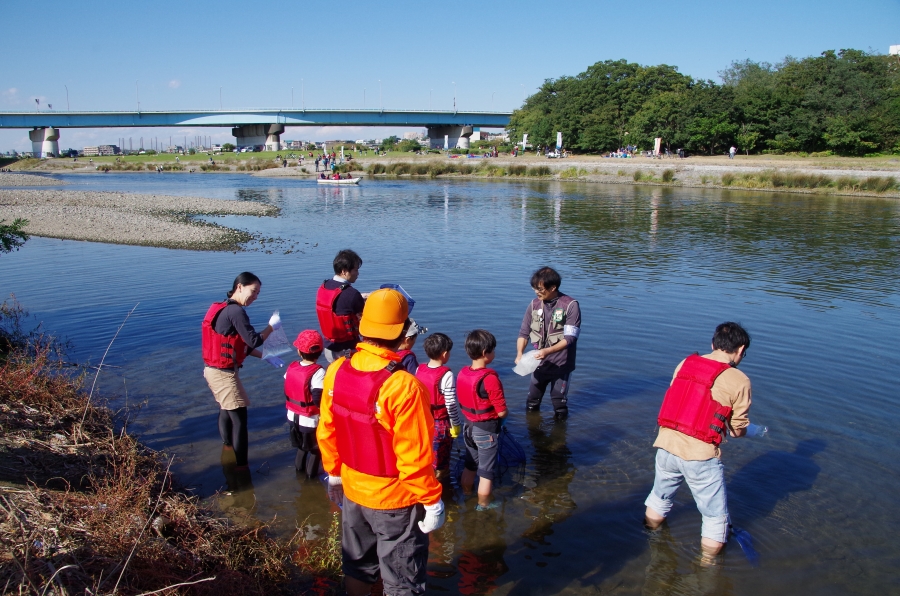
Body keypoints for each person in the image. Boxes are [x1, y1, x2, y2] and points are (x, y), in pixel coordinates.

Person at [317, 288, 445, 596]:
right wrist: (432, 501)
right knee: (402, 581)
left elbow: (327, 430)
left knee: (358, 568)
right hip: (394, 501)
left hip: (352, 490)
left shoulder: (335, 370)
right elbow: (414, 457)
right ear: (402, 332)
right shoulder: (404, 385)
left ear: (363, 326)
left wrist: (334, 473)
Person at [644, 322, 754, 560]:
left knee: (659, 498)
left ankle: (652, 539)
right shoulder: (739, 379)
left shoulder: (685, 363)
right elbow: (736, 430)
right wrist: (748, 431)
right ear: (741, 349)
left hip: (665, 445)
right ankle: (707, 568)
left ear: (713, 344)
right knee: (715, 518)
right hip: (700, 455)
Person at [202, 272, 282, 470]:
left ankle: (227, 449)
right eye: (253, 291)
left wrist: (265, 356)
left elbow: (238, 346)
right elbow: (253, 340)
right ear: (239, 286)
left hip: (213, 371)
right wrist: (271, 327)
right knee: (240, 420)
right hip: (223, 374)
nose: (255, 297)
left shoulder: (222, 308)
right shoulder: (236, 312)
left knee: (225, 410)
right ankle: (242, 468)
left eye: (258, 294)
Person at [515, 267, 581, 420]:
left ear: (553, 288)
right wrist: (519, 354)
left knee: (559, 403)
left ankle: (559, 440)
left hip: (561, 364)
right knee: (532, 401)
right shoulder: (533, 305)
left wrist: (547, 351)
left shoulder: (571, 306)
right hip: (538, 363)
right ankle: (532, 434)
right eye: (534, 289)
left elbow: (570, 338)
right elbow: (524, 333)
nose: (537, 293)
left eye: (540, 289)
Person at [458, 330, 507, 510]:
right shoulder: (489, 378)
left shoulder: (463, 373)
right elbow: (501, 411)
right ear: (486, 353)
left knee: (470, 465)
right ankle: (483, 505)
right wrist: (504, 418)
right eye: (493, 351)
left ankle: (466, 494)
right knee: (486, 472)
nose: (494, 354)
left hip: (468, 427)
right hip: (485, 430)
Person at [415, 332, 461, 480]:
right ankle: (442, 488)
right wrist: (455, 424)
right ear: (445, 354)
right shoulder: (446, 375)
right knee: (441, 458)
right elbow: (451, 403)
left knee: (424, 454)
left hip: (422, 420)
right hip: (440, 422)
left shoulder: (419, 369)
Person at [284, 329, 326, 478]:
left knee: (301, 448)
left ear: (298, 351)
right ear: (320, 351)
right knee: (316, 450)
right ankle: (311, 479)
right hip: (309, 420)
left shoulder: (292, 367)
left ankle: (299, 474)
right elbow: (317, 397)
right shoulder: (318, 372)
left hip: (292, 415)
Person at [316, 249, 366, 362]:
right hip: (347, 351)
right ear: (344, 271)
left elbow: (337, 304)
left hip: (328, 348)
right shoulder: (352, 294)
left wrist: (360, 297)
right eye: (355, 270)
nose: (358, 273)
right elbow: (365, 321)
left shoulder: (324, 286)